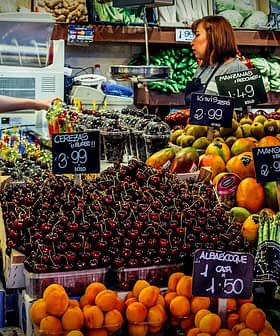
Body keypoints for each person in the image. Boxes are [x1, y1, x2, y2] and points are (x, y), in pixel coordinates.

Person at [185, 15, 248, 106]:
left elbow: (238, 116)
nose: (192, 42)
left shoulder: (236, 69)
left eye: (197, 35)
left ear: (213, 37)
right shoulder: (203, 68)